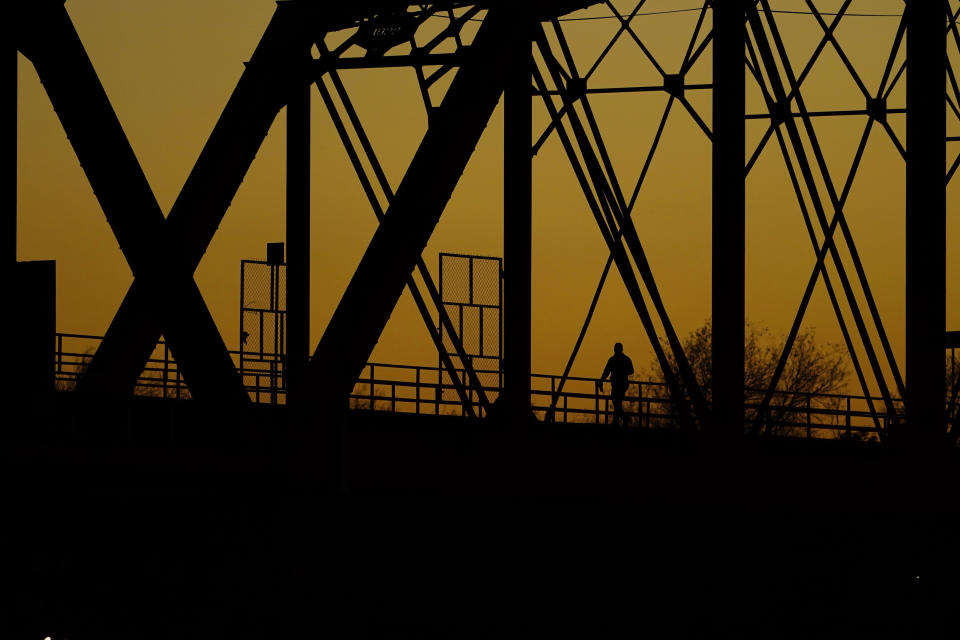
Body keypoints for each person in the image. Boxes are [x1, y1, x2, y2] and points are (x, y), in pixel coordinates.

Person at [599, 342, 634, 425]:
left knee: (616, 401)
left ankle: (621, 419)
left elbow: (606, 372)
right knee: (617, 402)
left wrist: (602, 380)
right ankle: (618, 420)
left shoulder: (612, 360)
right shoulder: (625, 359)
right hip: (622, 384)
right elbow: (631, 371)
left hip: (618, 384)